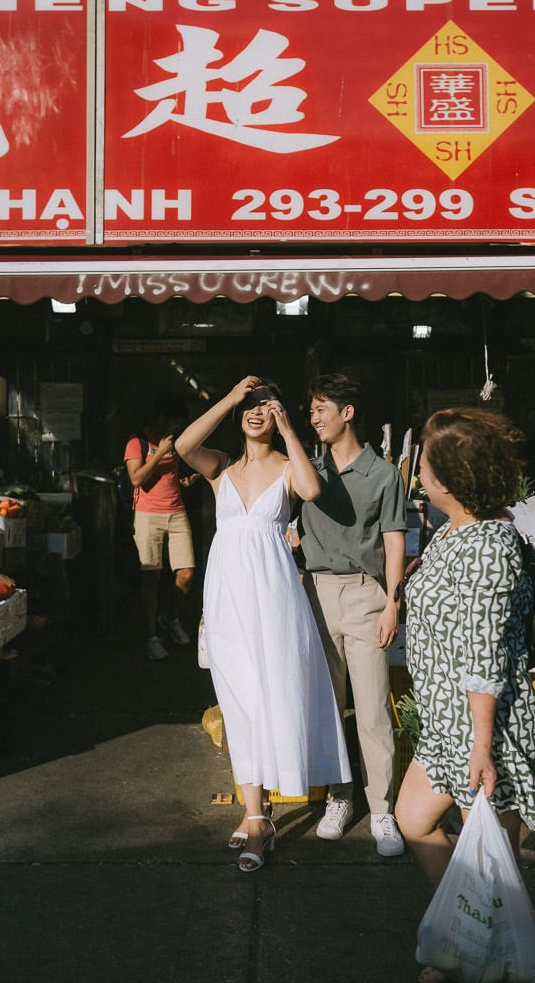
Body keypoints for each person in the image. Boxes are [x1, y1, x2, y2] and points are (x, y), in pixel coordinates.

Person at [393, 408, 535, 983]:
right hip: (443, 725)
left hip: (486, 728)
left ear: (450, 480)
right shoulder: (452, 530)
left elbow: (484, 658)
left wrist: (483, 747)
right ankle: (468, 936)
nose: (419, 478)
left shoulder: (490, 544)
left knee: (491, 863)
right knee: (413, 818)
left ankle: (486, 956)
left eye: (426, 468)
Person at [175, 375, 351, 874]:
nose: (256, 413)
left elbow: (313, 488)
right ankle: (256, 814)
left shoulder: (288, 468)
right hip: (227, 597)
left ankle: (261, 811)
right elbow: (185, 444)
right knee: (238, 703)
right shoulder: (221, 468)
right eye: (249, 407)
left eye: (264, 406)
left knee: (277, 696)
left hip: (275, 599)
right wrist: (230, 395)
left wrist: (289, 428)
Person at [298, 373, 407, 857]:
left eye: (322, 407)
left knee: (372, 708)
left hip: (366, 596)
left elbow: (393, 540)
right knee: (327, 708)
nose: (314, 416)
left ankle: (382, 808)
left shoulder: (383, 474)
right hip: (316, 593)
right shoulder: (307, 471)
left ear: (348, 412)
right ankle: (339, 798)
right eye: (311, 408)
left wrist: (393, 604)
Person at [125, 408, 198, 661]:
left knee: (186, 572)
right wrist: (159, 455)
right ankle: (151, 636)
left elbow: (169, 477)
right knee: (151, 576)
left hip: (177, 511)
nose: (178, 424)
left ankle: (170, 618)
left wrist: (184, 481)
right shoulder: (138, 442)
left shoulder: (176, 441)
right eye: (175, 418)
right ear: (160, 417)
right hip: (147, 514)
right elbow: (136, 479)